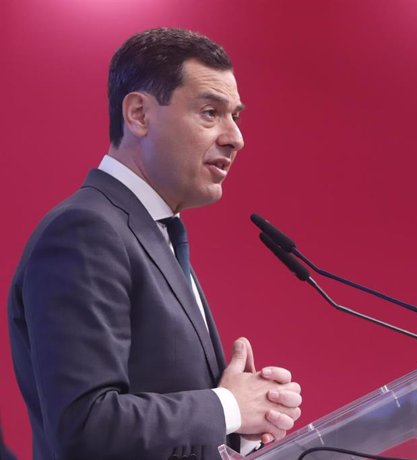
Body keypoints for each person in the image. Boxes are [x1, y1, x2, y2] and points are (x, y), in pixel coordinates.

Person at [7, 28, 302, 460]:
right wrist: (227, 406)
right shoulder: (84, 232)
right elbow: (85, 425)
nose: (235, 137)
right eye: (209, 112)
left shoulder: (154, 232)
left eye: (235, 116)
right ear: (139, 114)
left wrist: (246, 422)